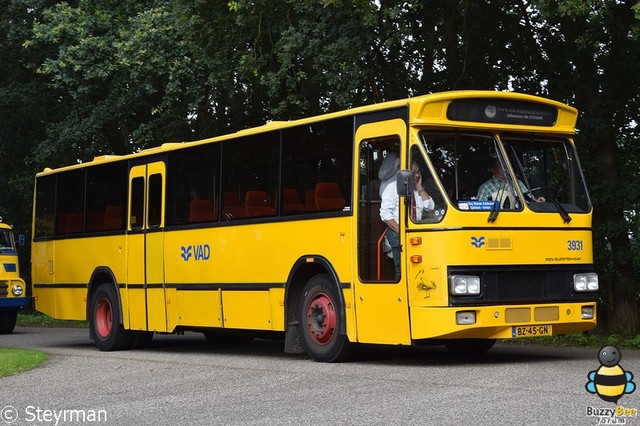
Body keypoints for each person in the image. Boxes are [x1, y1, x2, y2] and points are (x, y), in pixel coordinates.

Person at [477, 158, 545, 205]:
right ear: (493, 170)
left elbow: (530, 199)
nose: (506, 170)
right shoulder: (485, 188)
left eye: (507, 167)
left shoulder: (517, 183)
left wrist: (538, 201)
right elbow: (480, 209)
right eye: (502, 167)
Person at [378, 152, 401, 279]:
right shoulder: (391, 187)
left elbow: (430, 208)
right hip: (396, 231)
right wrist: (400, 231)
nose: (416, 174)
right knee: (401, 269)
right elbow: (385, 213)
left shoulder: (414, 189)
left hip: (413, 231)